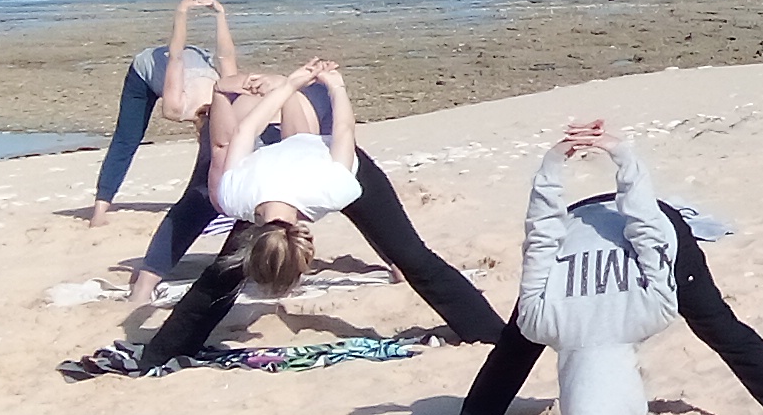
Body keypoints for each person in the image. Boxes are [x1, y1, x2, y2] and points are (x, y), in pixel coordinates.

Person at [428, 119, 763, 415]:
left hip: (629, 228)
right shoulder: (600, 312)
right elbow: (548, 233)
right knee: (718, 326)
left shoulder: (547, 318)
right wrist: (615, 157)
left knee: (716, 324)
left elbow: (544, 239)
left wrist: (563, 163)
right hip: (609, 223)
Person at [135, 59, 509, 369]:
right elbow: (337, 126)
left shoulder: (284, 190)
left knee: (411, 258)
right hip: (306, 163)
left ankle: (491, 333)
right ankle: (163, 352)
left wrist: (293, 86)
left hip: (338, 165)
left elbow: (259, 129)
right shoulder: (241, 194)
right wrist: (330, 86)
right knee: (224, 272)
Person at [85, 0, 234, 224]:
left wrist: (220, 13)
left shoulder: (228, 99)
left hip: (190, 62)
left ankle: (217, 200)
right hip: (146, 72)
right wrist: (182, 10)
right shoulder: (178, 106)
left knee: (219, 154)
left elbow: (224, 56)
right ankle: (99, 212)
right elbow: (176, 55)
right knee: (127, 139)